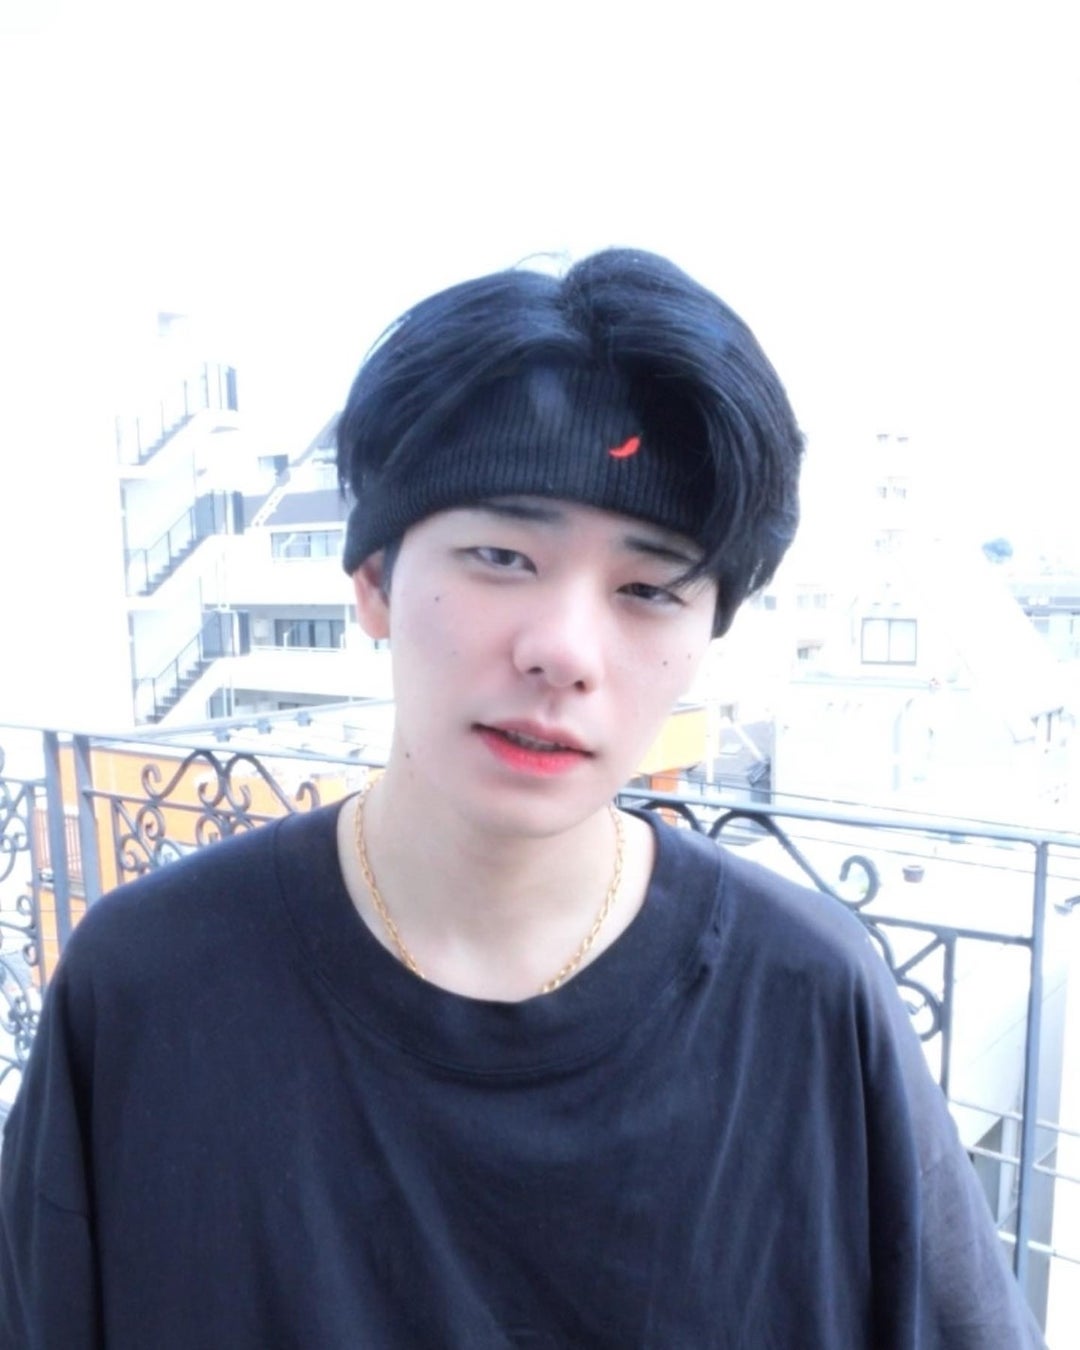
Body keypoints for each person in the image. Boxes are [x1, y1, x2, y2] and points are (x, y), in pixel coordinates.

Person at [0, 250, 1045, 1348]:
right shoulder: (149, 987)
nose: (564, 650)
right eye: (501, 555)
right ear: (373, 579)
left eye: (650, 589)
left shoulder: (810, 1001)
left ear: (708, 633)